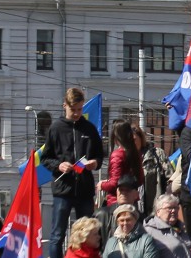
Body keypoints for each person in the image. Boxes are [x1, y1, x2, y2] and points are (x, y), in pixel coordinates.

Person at [41, 87, 105, 258]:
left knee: (89, 232)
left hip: (84, 189)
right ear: (65, 106)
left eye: (80, 109)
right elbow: (45, 158)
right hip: (63, 189)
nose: (77, 113)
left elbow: (99, 155)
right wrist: (59, 165)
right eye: (73, 109)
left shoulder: (89, 128)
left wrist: (95, 163)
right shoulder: (56, 128)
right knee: (57, 234)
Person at [99, 120, 145, 208]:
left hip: (116, 201)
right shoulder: (136, 153)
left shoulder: (117, 155)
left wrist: (102, 185)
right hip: (132, 200)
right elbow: (140, 179)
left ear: (116, 137)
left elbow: (115, 183)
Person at [133, 126, 174, 216]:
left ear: (141, 138)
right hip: (134, 207)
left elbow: (170, 177)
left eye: (134, 139)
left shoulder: (157, 154)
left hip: (155, 205)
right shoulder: (125, 157)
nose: (132, 143)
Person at [95, 175, 143, 240]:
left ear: (136, 194)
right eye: (121, 190)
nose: (123, 193)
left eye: (127, 190)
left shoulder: (141, 219)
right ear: (117, 192)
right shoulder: (101, 215)